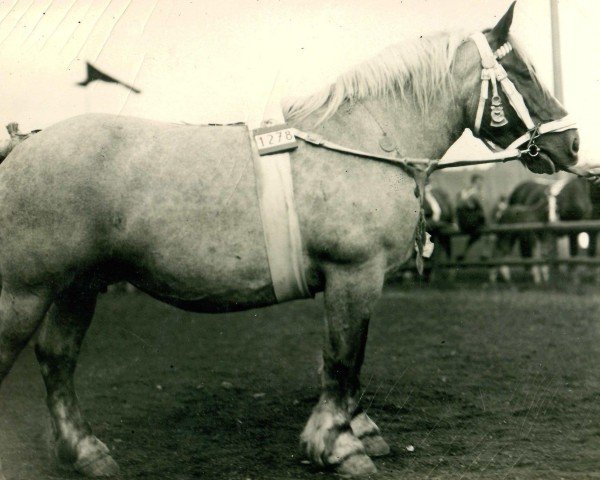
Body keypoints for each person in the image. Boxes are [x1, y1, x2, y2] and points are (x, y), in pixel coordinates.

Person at [456, 174, 487, 260]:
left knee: (476, 236)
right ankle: (485, 253)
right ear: (475, 182)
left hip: (462, 223)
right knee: (486, 230)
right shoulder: (474, 193)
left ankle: (464, 252)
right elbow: (480, 209)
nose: (481, 184)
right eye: (479, 182)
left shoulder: (465, 192)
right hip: (470, 222)